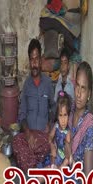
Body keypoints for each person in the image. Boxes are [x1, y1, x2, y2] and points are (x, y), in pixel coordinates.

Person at [12, 39, 55, 172]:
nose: (34, 63)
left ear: (41, 60)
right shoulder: (27, 85)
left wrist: (49, 123)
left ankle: (30, 169)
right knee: (16, 142)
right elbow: (22, 114)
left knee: (47, 145)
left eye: (37, 59)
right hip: (29, 135)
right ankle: (37, 169)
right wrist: (28, 132)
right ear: (29, 61)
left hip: (42, 136)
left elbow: (53, 108)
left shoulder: (48, 83)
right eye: (32, 59)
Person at [49, 90, 73, 170]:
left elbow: (68, 156)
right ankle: (52, 166)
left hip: (63, 162)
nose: (63, 120)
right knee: (52, 154)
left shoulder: (68, 132)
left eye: (65, 115)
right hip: (56, 156)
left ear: (69, 115)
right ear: (57, 116)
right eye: (60, 115)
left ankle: (54, 170)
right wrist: (52, 146)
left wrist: (60, 168)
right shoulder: (56, 126)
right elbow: (50, 137)